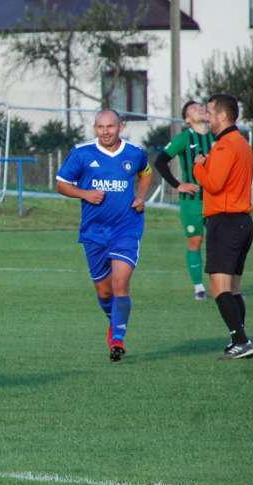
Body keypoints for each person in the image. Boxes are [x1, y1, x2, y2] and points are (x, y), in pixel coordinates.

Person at [55, 109, 153, 362]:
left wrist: (141, 197)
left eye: (110, 127)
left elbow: (146, 172)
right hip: (94, 232)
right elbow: (61, 184)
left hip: (126, 229)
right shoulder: (82, 153)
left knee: (120, 283)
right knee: (105, 292)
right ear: (95, 128)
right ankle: (114, 320)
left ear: (120, 127)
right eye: (100, 127)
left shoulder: (135, 153)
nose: (105, 132)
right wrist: (85, 194)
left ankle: (118, 340)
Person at [192, 94, 253, 360]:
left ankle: (241, 340)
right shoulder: (242, 143)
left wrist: (198, 167)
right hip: (243, 222)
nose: (206, 116)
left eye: (209, 112)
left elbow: (214, 184)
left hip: (226, 222)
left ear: (223, 116)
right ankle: (239, 339)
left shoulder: (223, 146)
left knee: (220, 288)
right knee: (235, 289)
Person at [153, 100, 214, 300]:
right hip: (192, 201)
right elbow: (160, 161)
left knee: (219, 242)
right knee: (195, 241)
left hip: (217, 199)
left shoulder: (218, 135)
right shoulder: (184, 138)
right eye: (195, 109)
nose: (201, 109)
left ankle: (222, 287)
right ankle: (199, 288)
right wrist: (178, 184)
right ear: (188, 119)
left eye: (201, 106)